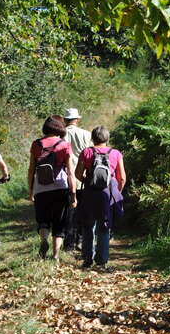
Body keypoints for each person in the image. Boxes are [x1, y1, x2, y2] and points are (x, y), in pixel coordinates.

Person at [75, 126, 126, 269]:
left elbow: (77, 173)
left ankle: (87, 259)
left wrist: (87, 181)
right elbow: (122, 178)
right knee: (104, 226)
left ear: (92, 138)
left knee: (88, 226)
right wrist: (116, 191)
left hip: (89, 193)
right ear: (107, 138)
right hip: (107, 194)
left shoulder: (87, 152)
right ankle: (101, 261)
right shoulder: (116, 153)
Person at [28, 117, 77, 260]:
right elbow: (70, 172)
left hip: (40, 188)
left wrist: (31, 190)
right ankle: (55, 255)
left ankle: (44, 240)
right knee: (59, 222)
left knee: (43, 219)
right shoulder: (64, 145)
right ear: (60, 128)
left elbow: (31, 169)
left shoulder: (36, 144)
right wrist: (73, 194)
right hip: (60, 187)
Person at [62, 108, 92, 251]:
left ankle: (68, 243)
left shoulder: (61, 134)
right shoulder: (87, 134)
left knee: (68, 211)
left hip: (66, 178)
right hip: (82, 177)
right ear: (77, 119)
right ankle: (80, 240)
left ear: (65, 120)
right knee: (82, 210)